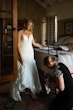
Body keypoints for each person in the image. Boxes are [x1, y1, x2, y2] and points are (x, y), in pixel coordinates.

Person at [11, 18, 43, 101]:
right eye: (29, 25)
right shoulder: (20, 32)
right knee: (24, 72)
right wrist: (21, 57)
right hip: (23, 54)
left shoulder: (31, 33)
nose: (30, 27)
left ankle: (32, 91)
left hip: (30, 54)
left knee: (32, 72)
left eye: (31, 26)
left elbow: (34, 43)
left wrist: (41, 46)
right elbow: (18, 46)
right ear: (25, 24)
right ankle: (22, 90)